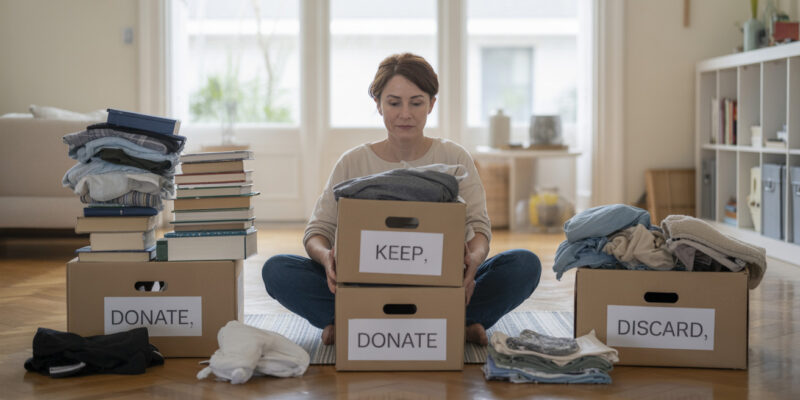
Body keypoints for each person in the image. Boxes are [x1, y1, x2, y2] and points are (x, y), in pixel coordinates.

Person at [262, 53, 541, 346]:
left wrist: (473, 260)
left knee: (524, 265)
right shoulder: (353, 162)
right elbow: (317, 231)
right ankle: (452, 326)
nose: (405, 113)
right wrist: (326, 258)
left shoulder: (454, 157)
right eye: (394, 103)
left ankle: (356, 325)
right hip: (364, 286)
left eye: (416, 102)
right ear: (378, 105)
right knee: (277, 269)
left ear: (432, 104)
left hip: (443, 285)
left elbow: (478, 226)